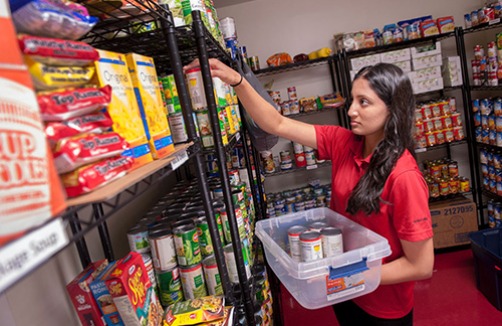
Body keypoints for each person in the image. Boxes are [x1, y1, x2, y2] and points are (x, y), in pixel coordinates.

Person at [184, 59, 434, 325]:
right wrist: (238, 82)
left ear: (393, 108)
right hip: (344, 292)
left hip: (383, 306)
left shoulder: (404, 177)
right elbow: (276, 124)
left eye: (364, 102)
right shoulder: (344, 142)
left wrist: (343, 273)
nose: (351, 111)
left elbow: (421, 265)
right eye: (352, 100)